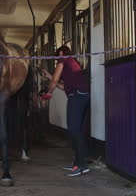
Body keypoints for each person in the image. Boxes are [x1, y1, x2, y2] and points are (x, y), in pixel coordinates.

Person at [40, 45, 90, 177]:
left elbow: (56, 80)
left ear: (61, 53)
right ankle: (77, 163)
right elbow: (62, 86)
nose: (57, 61)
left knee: (74, 130)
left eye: (57, 57)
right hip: (81, 95)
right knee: (77, 130)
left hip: (77, 96)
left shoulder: (64, 59)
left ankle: (81, 166)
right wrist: (50, 76)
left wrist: (48, 94)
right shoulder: (72, 63)